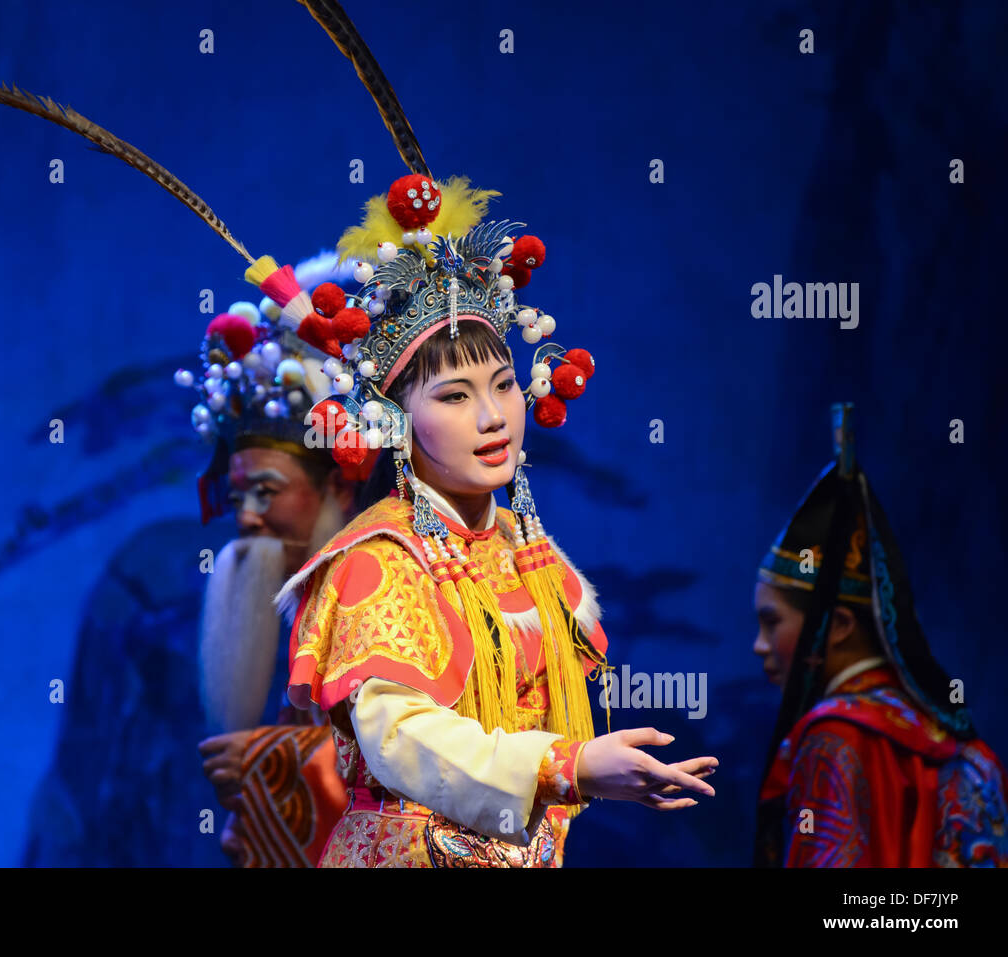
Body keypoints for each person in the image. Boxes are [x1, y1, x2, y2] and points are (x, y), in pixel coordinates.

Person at [246, 168, 718, 866]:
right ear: (395, 420)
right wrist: (571, 766)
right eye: (456, 395)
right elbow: (403, 736)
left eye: (502, 385)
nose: (494, 416)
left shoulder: (520, 549)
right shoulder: (379, 559)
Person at [753, 403, 1008, 867]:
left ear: (840, 627)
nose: (759, 645)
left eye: (772, 623)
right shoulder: (949, 734)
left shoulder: (832, 737)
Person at [182, 253, 362, 866]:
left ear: (337, 491)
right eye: (238, 498)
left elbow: (420, 764)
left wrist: (270, 761)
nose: (248, 517)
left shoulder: (380, 592)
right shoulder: (303, 606)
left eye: (267, 491)